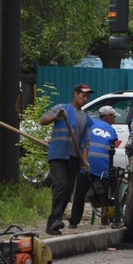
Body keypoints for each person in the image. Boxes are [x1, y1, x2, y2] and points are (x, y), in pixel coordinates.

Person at [40, 84, 92, 234]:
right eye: (83, 95)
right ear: (75, 94)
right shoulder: (62, 109)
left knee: (68, 190)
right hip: (58, 154)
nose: (85, 98)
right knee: (61, 184)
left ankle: (56, 221)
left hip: (74, 157)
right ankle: (53, 221)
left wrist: (85, 162)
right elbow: (43, 120)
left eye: (87, 96)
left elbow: (86, 143)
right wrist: (55, 117)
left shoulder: (86, 118)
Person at [69, 105, 119, 228]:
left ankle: (73, 222)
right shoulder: (111, 130)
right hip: (103, 168)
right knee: (108, 194)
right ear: (107, 116)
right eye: (113, 117)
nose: (114, 119)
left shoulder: (89, 124)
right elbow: (112, 149)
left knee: (80, 195)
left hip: (86, 164)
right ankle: (112, 220)